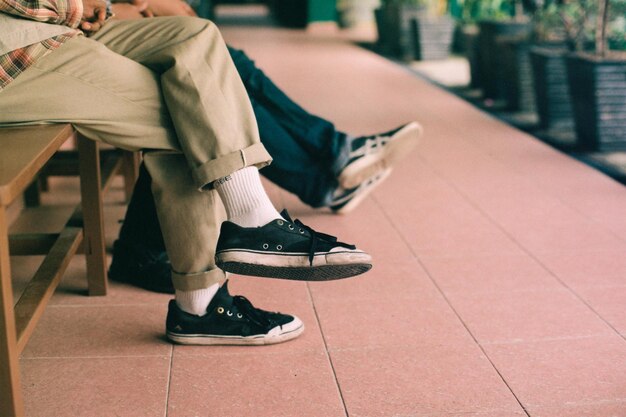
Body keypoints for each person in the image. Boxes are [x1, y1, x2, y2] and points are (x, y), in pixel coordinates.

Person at [0, 2, 373, 345]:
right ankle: (202, 302)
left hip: (52, 26)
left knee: (197, 34)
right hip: (17, 50)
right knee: (189, 113)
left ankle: (252, 220)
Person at [106, 0, 424, 293]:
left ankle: (333, 157)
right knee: (207, 84)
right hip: (80, 38)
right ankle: (326, 168)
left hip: (110, 25)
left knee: (229, 63)